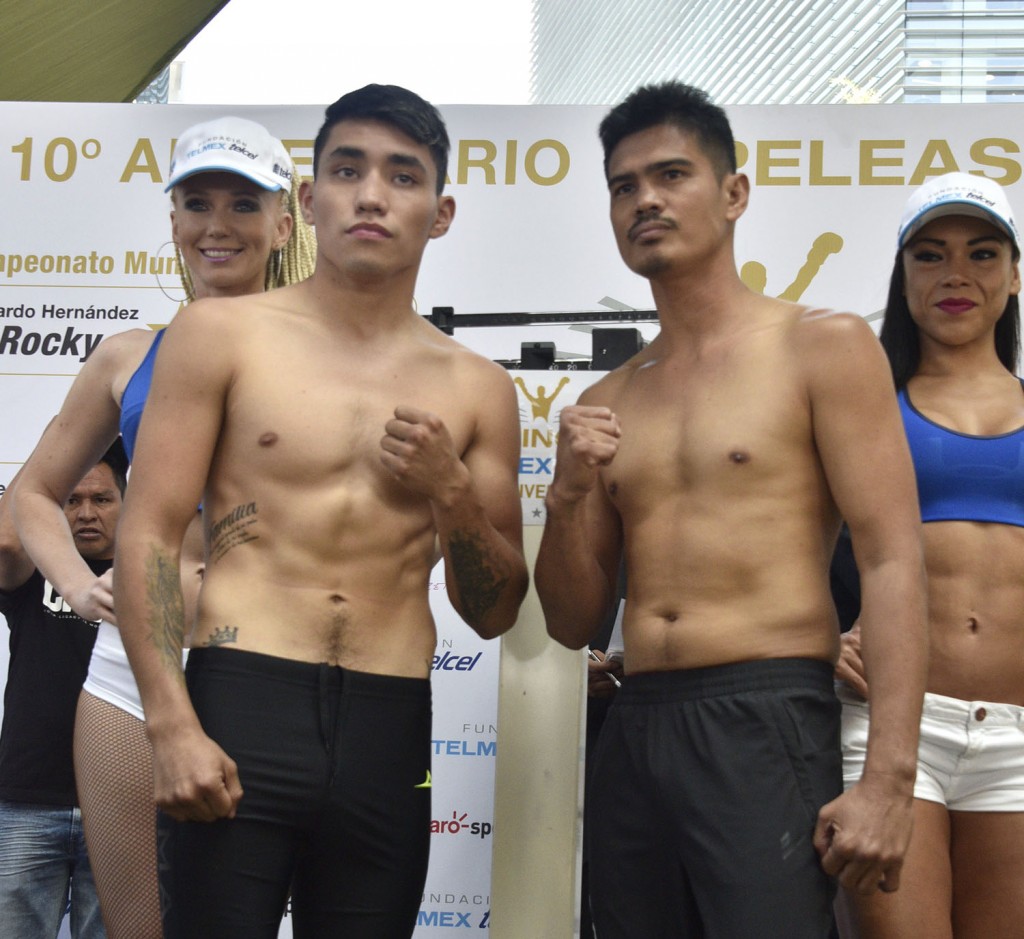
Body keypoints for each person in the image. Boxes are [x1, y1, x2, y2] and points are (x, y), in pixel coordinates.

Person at [112, 84, 528, 939]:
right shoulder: (220, 335)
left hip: (389, 721)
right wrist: (171, 723)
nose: (372, 195)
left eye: (402, 176)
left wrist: (452, 491)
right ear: (308, 199)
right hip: (241, 697)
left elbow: (494, 612)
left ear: (441, 212)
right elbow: (148, 531)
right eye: (347, 170)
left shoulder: (479, 387)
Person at [535, 81, 928, 939]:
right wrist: (565, 497)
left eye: (671, 174)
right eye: (624, 185)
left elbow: (893, 557)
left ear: (734, 193)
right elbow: (567, 623)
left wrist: (889, 780)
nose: (645, 199)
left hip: (766, 711)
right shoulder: (609, 398)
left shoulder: (821, 346)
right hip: (637, 721)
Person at [13, 116, 316, 939]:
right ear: (174, 220)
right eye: (197, 203)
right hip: (132, 670)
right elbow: (33, 493)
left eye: (243, 204)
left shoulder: (331, 356)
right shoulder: (127, 356)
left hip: (276, 664)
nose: (218, 225)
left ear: (284, 222)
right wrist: (78, 586)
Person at [835, 172, 1024, 939]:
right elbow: (772, 544)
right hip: (892, 729)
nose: (955, 274)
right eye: (930, 254)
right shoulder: (861, 408)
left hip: (1017, 738)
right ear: (902, 275)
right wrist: (816, 639)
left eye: (982, 253)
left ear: (1014, 277)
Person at [0, 442, 127, 939]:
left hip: (122, 805)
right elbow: (7, 541)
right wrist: (70, 433)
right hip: (27, 800)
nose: (86, 513)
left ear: (128, 502)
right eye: (71, 500)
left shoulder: (156, 578)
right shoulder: (33, 572)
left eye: (102, 499)